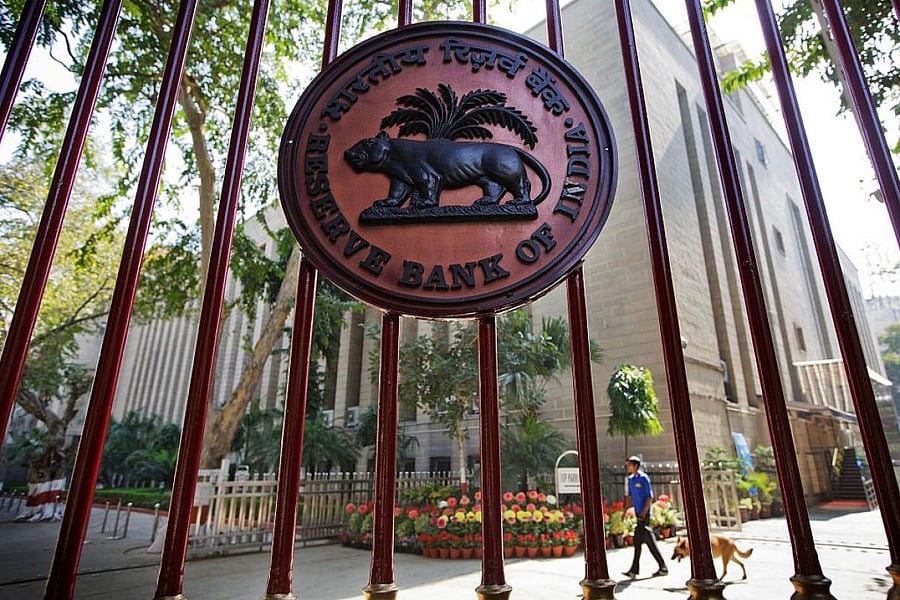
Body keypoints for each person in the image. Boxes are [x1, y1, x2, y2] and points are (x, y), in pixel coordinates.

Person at [622, 455, 668, 578]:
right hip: (638, 514)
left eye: (630, 465)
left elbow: (649, 497)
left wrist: (644, 511)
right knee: (639, 542)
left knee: (645, 542)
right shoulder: (631, 479)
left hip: (644, 514)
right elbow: (630, 497)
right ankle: (635, 569)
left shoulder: (643, 478)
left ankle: (661, 566)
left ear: (636, 466)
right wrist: (625, 511)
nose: (628, 467)